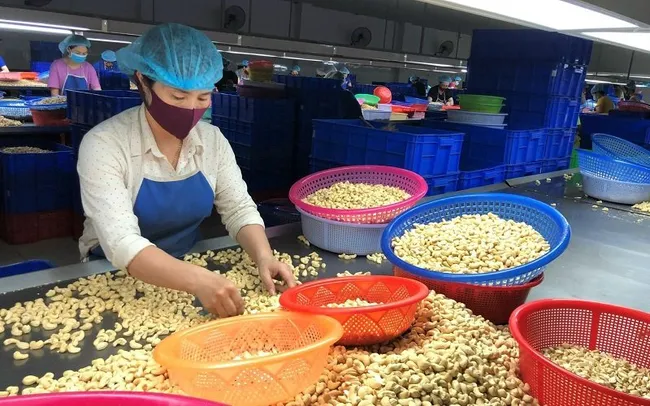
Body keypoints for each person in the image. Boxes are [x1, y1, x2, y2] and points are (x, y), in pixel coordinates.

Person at [77, 23, 296, 318]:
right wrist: (198, 281)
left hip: (190, 262)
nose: (191, 108)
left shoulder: (212, 141)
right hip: (112, 273)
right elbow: (121, 242)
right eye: (178, 97)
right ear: (143, 82)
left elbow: (238, 209)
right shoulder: (105, 144)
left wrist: (263, 256)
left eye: (203, 98)